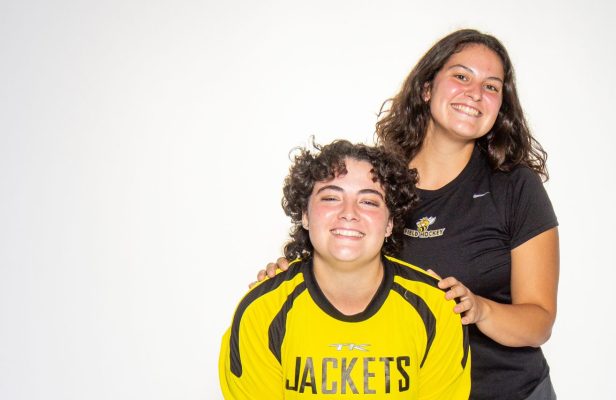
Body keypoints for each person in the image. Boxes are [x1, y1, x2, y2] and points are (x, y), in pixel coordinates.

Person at [257, 29, 559, 400]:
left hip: (508, 391)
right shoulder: (377, 183)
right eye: (461, 76)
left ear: (501, 107)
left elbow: (539, 322)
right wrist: (288, 277)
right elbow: (337, 257)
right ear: (427, 88)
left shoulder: (515, 187)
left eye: (492, 86)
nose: (476, 93)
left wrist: (479, 309)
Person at [219, 140, 471, 399]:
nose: (349, 213)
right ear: (305, 214)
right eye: (331, 197)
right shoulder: (261, 312)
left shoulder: (437, 308)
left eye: (369, 202)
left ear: (389, 223)